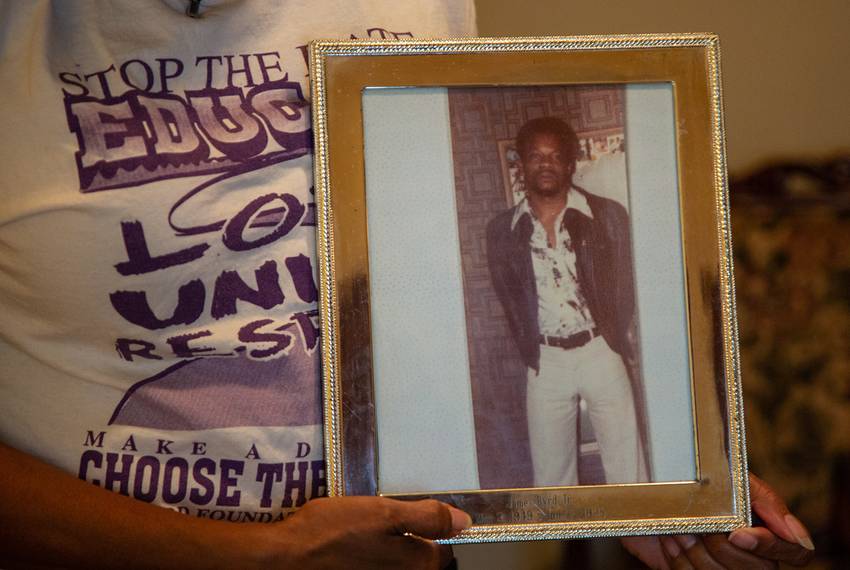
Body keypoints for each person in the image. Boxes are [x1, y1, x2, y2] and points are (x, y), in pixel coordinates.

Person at [0, 2, 816, 568]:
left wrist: (648, 490)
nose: (543, 166)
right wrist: (257, 558)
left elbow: (404, 289)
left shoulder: (422, 6)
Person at [486, 116, 645, 487]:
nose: (546, 164)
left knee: (629, 469)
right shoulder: (501, 231)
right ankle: (561, 545)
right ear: (521, 163)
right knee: (552, 480)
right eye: (535, 156)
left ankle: (643, 538)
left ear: (570, 163)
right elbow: (507, 294)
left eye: (555, 156)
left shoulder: (606, 215)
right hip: (546, 363)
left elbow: (625, 283)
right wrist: (531, 350)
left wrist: (612, 334)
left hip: (600, 350)